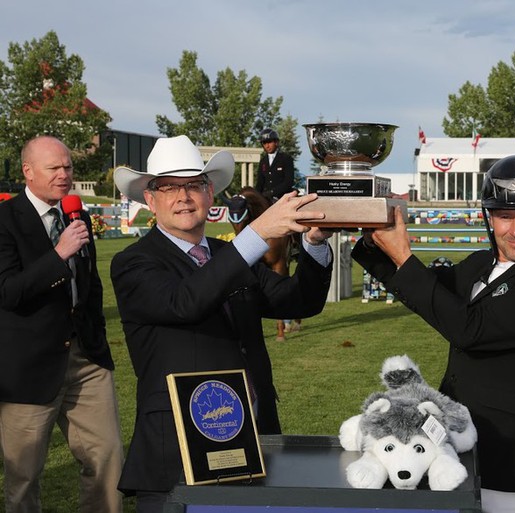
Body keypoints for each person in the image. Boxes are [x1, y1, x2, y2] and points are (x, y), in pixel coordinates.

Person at [111, 135, 334, 512]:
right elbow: (185, 303)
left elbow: (301, 301)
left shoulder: (229, 255)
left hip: (253, 440)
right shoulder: (134, 263)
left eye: (193, 185)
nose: (183, 197)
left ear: (210, 194)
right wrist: (258, 234)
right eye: (168, 188)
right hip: (177, 452)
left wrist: (314, 243)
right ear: (150, 200)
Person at [352, 155, 515, 513]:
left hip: (514, 457)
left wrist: (406, 256)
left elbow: (469, 330)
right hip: (453, 442)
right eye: (504, 216)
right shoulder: (481, 262)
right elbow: (427, 292)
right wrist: (371, 239)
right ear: (489, 217)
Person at [0, 136, 123, 512]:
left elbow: (90, 284)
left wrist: (96, 339)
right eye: (54, 168)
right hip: (29, 368)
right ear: (28, 171)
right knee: (24, 478)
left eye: (68, 167)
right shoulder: (5, 220)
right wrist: (58, 254)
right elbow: (7, 292)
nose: (64, 174)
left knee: (109, 460)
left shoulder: (77, 214)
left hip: (86, 361)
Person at [256, 128, 296, 201]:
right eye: (264, 143)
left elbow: (289, 181)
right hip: (266, 198)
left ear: (276, 142)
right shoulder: (263, 161)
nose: (267, 146)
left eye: (269, 142)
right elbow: (260, 183)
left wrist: (272, 192)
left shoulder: (286, 158)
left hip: (283, 198)